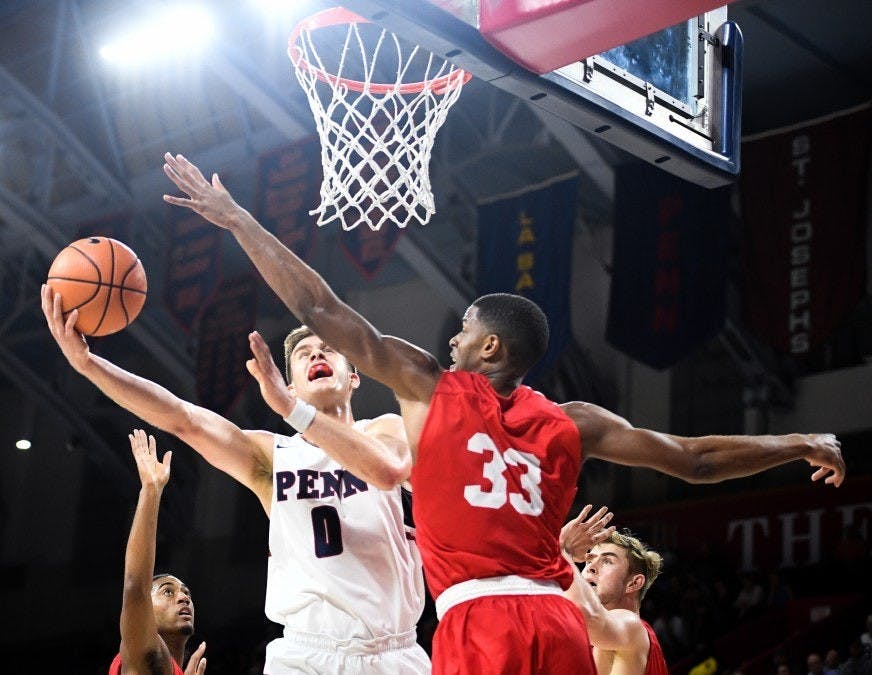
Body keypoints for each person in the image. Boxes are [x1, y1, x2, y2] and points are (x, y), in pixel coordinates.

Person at [161, 151, 846, 674]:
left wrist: (238, 220)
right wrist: (797, 438)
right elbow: (693, 459)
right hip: (558, 619)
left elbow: (320, 310)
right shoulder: (575, 418)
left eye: (463, 329)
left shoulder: (432, 386)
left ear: (489, 345)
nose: (451, 338)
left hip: (480, 618)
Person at [40, 287, 429, 674]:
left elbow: (389, 467)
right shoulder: (271, 456)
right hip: (307, 653)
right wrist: (88, 364)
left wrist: (292, 411)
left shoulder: (385, 430)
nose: (316, 353)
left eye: (328, 348)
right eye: (303, 352)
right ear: (289, 385)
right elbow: (183, 418)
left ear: (354, 377)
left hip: (394, 650)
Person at [110, 428, 207, 675]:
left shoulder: (169, 668)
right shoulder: (144, 653)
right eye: (168, 592)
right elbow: (135, 586)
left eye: (186, 593)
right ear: (146, 610)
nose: (184, 598)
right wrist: (151, 489)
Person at [559, 505, 669, 675]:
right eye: (588, 561)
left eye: (607, 561)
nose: (591, 568)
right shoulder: (596, 641)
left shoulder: (631, 626)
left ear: (634, 583)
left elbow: (585, 615)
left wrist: (561, 551)